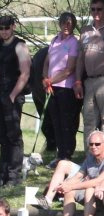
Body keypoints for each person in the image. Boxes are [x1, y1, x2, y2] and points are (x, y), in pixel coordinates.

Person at [42, 130, 104, 216]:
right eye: (91, 144)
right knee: (70, 189)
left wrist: (72, 186)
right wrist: (65, 185)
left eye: (97, 144)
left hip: (100, 193)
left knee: (89, 188)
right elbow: (79, 175)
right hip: (94, 194)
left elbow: (98, 181)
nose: (94, 147)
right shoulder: (90, 158)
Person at [0, 15, 31, 187]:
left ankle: (14, 175)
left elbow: (25, 73)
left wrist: (13, 95)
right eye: (1, 28)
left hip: (12, 95)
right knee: (2, 137)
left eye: (7, 28)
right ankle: (3, 174)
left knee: (14, 136)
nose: (4, 31)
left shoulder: (20, 45)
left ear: (13, 27)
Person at [43, 12, 79, 164]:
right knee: (55, 123)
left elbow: (69, 69)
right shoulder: (54, 41)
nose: (66, 25)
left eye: (69, 23)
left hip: (65, 89)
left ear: (73, 25)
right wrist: (44, 79)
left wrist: (50, 80)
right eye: (64, 22)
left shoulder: (73, 43)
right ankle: (60, 155)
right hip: (51, 88)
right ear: (60, 23)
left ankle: (67, 156)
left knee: (66, 124)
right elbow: (46, 62)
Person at [75, 0, 104, 151]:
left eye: (99, 9)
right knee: (89, 120)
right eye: (93, 9)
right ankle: (89, 161)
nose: (96, 12)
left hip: (103, 81)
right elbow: (80, 57)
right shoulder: (85, 30)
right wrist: (78, 81)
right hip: (89, 81)